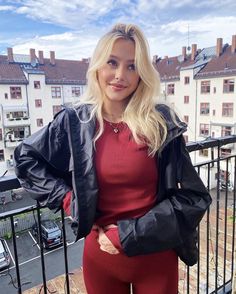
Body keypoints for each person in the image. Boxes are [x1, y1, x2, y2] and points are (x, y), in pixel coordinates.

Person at [14, 23, 212, 294]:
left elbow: (194, 197)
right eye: (112, 62)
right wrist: (68, 199)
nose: (120, 75)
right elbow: (26, 158)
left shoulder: (160, 123)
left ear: (142, 73)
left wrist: (127, 234)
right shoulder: (76, 122)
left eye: (132, 66)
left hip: (155, 258)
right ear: (98, 66)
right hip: (101, 260)